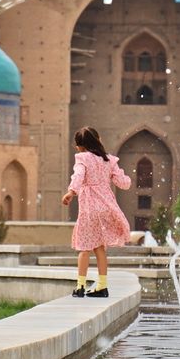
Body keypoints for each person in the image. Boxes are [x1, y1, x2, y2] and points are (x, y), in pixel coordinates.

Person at [61, 126, 131, 297]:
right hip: (107, 206)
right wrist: (128, 179)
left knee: (84, 248)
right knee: (100, 249)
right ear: (98, 140)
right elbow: (123, 183)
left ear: (79, 146)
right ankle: (102, 286)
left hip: (90, 209)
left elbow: (78, 176)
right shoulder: (108, 160)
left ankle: (80, 286)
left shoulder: (82, 158)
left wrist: (71, 192)